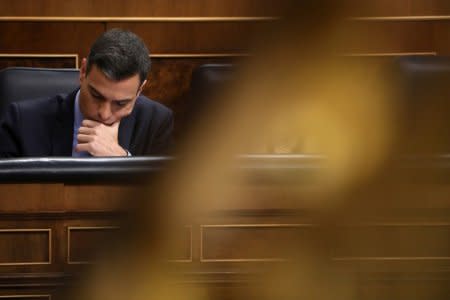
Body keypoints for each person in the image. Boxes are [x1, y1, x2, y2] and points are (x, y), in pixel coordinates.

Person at [0, 28, 173, 157]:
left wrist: (121, 159)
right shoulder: (22, 121)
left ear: (139, 90)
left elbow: (164, 198)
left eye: (120, 103)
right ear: (83, 71)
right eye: (96, 96)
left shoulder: (155, 122)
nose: (104, 114)